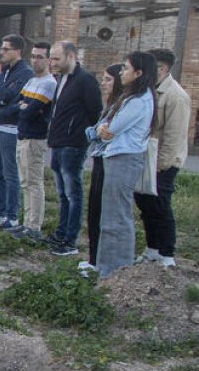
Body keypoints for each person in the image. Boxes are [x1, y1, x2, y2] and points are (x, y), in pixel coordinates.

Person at [94, 51, 156, 278]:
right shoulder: (132, 97)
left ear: (139, 73)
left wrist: (102, 129)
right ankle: (105, 267)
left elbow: (109, 130)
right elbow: (105, 126)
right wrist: (103, 128)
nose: (121, 73)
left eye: (125, 69)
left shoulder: (139, 100)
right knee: (109, 217)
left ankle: (117, 270)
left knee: (117, 217)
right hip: (117, 159)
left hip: (124, 160)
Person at [133, 49, 191, 269]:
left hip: (164, 162)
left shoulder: (176, 96)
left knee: (160, 205)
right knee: (145, 203)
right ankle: (152, 249)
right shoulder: (151, 90)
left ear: (162, 68)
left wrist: (161, 166)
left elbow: (175, 136)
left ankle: (167, 254)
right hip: (148, 157)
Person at [46, 41, 103, 257]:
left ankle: (70, 240)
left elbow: (94, 111)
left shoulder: (85, 80)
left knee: (73, 193)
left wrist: (78, 133)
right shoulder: (62, 79)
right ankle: (61, 232)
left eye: (56, 58)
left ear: (71, 56)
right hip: (58, 142)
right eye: (51, 58)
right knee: (62, 193)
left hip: (73, 144)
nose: (53, 63)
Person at [0, 35, 33, 229]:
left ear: (18, 51)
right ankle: (0, 212)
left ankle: (12, 215)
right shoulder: (3, 72)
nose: (1, 52)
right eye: (1, 48)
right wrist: (1, 101)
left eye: (6, 49)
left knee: (10, 173)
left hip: (10, 129)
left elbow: (8, 96)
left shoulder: (25, 73)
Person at [80, 64, 125, 274]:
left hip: (109, 160)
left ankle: (101, 262)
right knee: (94, 210)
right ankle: (93, 258)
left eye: (108, 79)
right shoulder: (109, 105)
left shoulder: (122, 104)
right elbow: (92, 131)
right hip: (99, 158)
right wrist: (96, 131)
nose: (103, 83)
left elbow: (106, 132)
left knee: (103, 212)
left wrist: (96, 131)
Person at [10, 41, 56, 240]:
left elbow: (29, 111)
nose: (35, 60)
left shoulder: (49, 83)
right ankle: (27, 222)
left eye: (40, 57)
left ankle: (34, 226)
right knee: (25, 182)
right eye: (33, 56)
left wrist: (24, 105)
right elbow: (16, 104)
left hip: (35, 138)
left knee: (33, 182)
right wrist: (24, 105)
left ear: (48, 60)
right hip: (23, 136)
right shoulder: (31, 81)